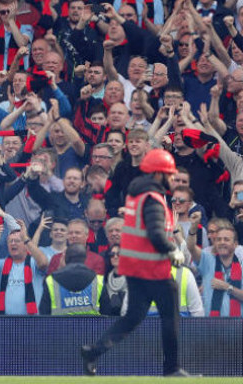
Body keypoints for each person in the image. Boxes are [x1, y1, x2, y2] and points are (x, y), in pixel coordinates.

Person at [81, 149, 190, 377]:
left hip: (134, 267)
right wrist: (173, 251)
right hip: (153, 268)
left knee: (133, 317)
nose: (172, 179)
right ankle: (172, 369)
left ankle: (94, 351)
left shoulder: (136, 195)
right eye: (169, 174)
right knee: (170, 316)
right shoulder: (153, 199)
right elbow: (156, 234)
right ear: (159, 174)